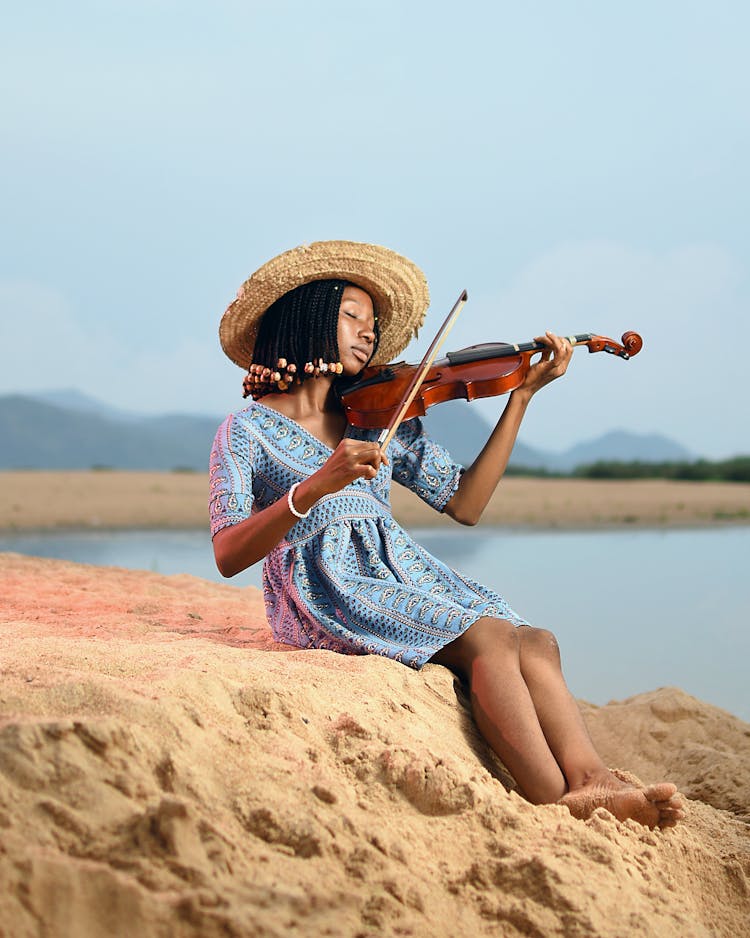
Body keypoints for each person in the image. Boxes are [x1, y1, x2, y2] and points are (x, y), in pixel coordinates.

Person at [210, 240, 684, 829]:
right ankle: (552, 797)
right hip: (325, 585)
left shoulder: (374, 416)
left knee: (534, 640)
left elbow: (466, 503)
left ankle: (592, 778)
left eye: (373, 324)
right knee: (486, 636)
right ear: (306, 319)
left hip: (400, 569)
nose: (368, 333)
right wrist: (314, 487)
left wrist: (521, 396)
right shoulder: (246, 430)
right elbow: (228, 552)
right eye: (352, 316)